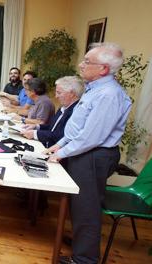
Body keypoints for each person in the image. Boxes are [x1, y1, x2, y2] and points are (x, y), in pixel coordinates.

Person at [46, 43, 132, 264]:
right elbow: (80, 127)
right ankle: (81, 245)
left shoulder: (109, 94)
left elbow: (92, 136)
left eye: (87, 61)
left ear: (103, 69)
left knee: (87, 209)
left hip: (94, 155)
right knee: (79, 205)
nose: (81, 65)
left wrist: (62, 152)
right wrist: (61, 144)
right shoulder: (95, 88)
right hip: (85, 151)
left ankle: (84, 259)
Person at [21, 76, 84, 148]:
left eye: (59, 93)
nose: (56, 96)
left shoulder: (76, 111)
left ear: (72, 94)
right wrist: (37, 126)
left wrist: (35, 134)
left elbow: (60, 136)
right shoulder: (63, 108)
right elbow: (52, 127)